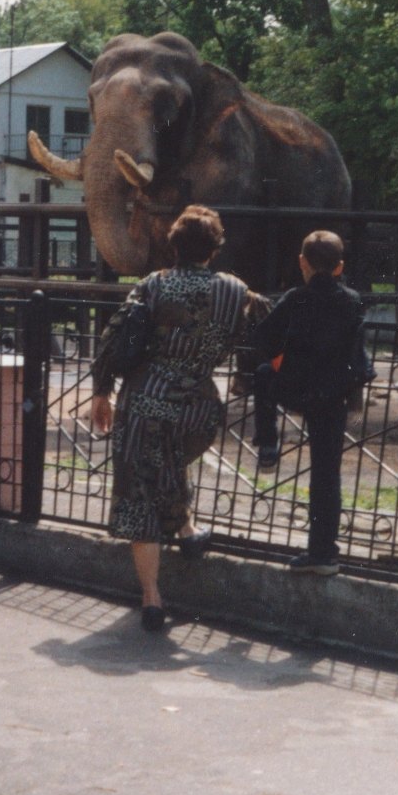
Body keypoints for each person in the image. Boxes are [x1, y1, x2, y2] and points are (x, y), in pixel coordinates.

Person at [90, 205, 265, 632]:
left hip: (145, 401)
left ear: (173, 246)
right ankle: (186, 530)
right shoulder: (236, 291)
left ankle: (152, 598)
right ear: (214, 249)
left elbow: (115, 336)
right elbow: (265, 333)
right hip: (198, 409)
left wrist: (101, 391)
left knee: (141, 493)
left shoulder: (153, 285)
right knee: (168, 463)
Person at [250, 229, 368, 576]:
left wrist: (280, 361)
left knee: (263, 375)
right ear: (339, 266)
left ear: (302, 262)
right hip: (332, 395)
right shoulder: (352, 300)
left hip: (296, 386)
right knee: (326, 475)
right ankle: (323, 554)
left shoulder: (295, 298)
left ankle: (267, 443)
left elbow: (263, 337)